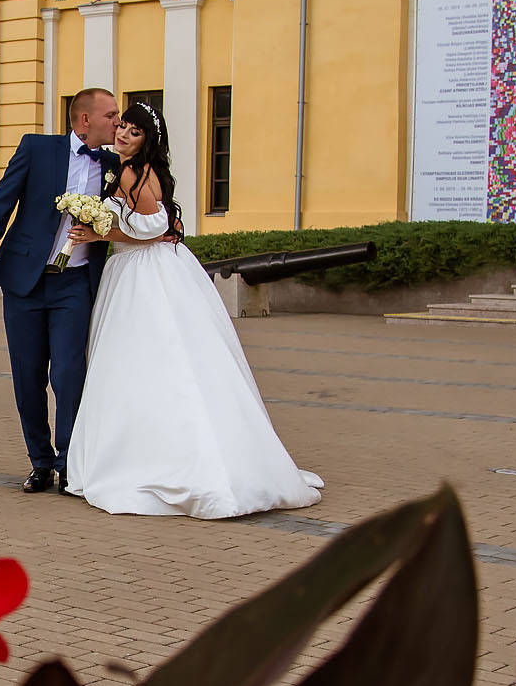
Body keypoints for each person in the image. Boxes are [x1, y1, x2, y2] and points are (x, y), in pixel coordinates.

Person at [62, 100, 325, 518]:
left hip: (141, 273)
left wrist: (103, 233)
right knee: (171, 356)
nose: (123, 134)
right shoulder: (142, 170)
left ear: (147, 140)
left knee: (141, 358)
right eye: (122, 127)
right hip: (152, 268)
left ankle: (155, 461)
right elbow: (169, 226)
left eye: (134, 131)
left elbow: (158, 227)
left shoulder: (133, 172)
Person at [0, 88, 121, 494]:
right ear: (84, 120)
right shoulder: (37, 148)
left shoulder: (115, 165)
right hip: (25, 281)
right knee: (28, 377)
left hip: (76, 281)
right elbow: (1, 204)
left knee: (70, 374)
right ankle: (40, 463)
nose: (117, 123)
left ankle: (69, 463)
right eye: (111, 115)